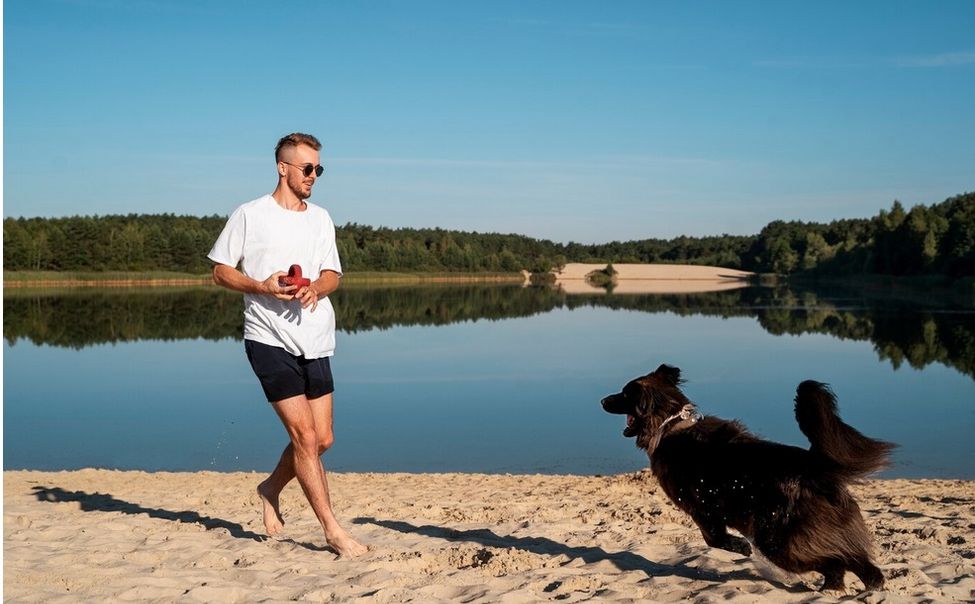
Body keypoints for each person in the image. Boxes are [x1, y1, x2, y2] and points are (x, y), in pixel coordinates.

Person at [208, 132, 367, 558]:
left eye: (319, 169)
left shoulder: (321, 218)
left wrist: (316, 287)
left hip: (315, 339)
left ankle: (269, 487)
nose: (314, 175)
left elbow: (333, 274)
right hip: (268, 338)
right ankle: (333, 531)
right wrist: (260, 285)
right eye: (307, 168)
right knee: (303, 435)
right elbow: (220, 272)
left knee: (323, 439)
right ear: (283, 168)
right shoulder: (250, 214)